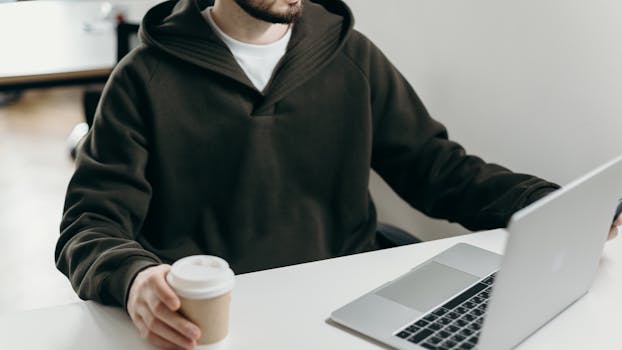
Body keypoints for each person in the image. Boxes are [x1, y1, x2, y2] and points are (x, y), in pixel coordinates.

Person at [55, 0, 622, 349]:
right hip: (220, 322)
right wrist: (133, 279)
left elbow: (439, 168)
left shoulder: (350, 55)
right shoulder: (144, 78)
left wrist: (559, 205)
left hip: (350, 304)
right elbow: (89, 225)